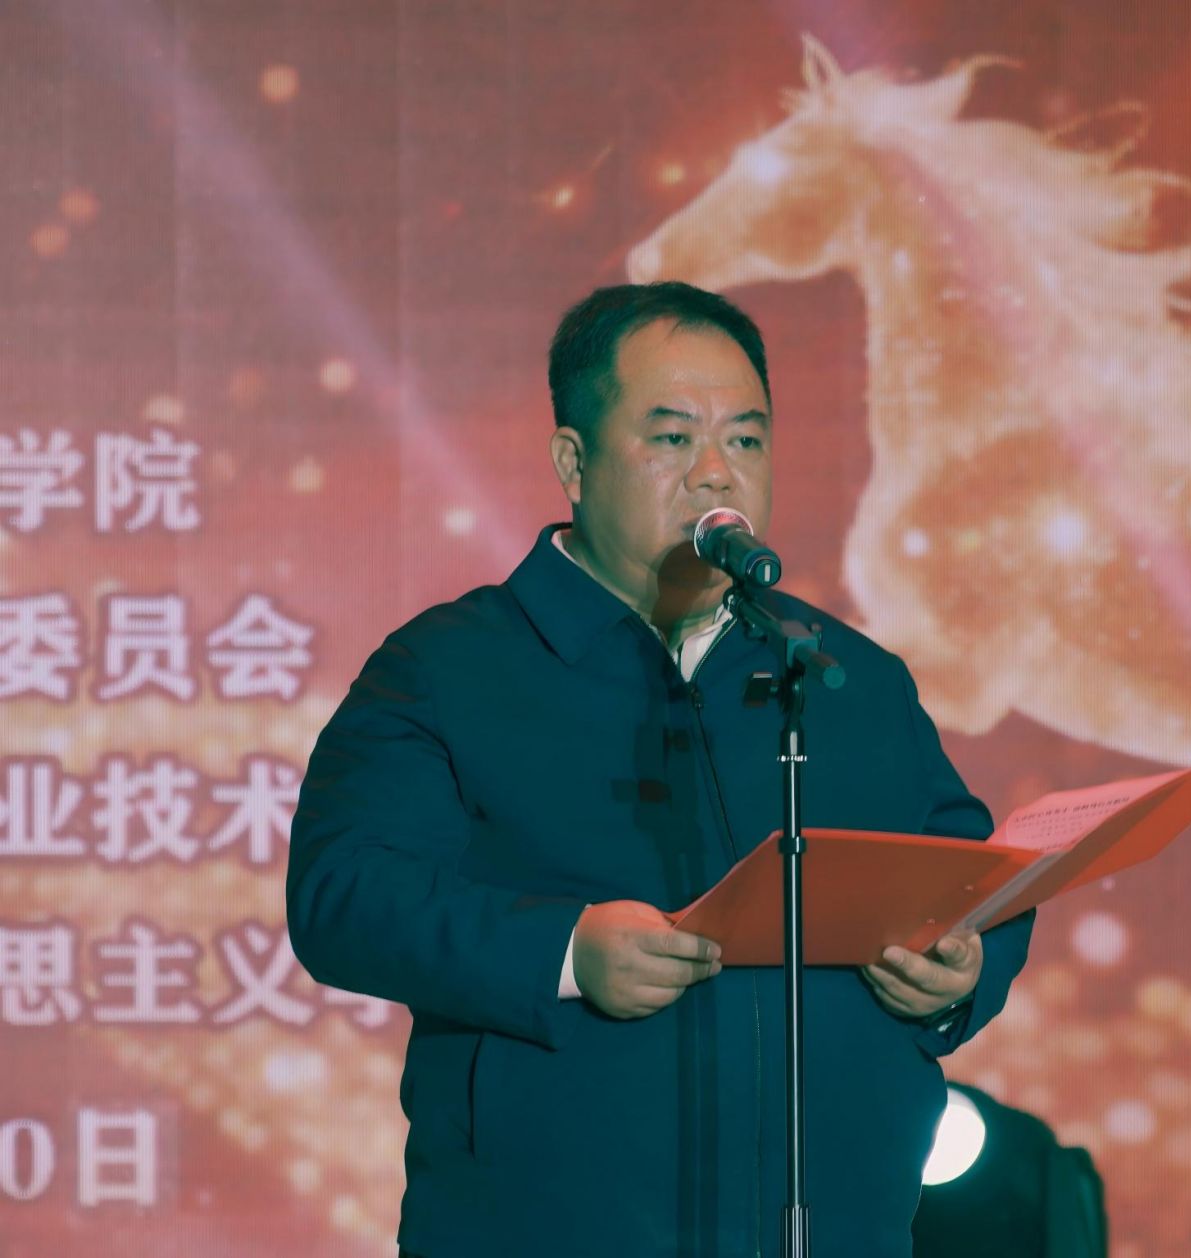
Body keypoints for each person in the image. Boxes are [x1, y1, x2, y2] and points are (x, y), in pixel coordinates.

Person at [287, 282, 1033, 1257]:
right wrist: (564, 951)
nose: (716, 471)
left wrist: (959, 972)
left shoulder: (840, 675)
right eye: (673, 437)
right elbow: (345, 896)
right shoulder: (450, 667)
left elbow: (967, 871)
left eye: (746, 439)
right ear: (574, 461)